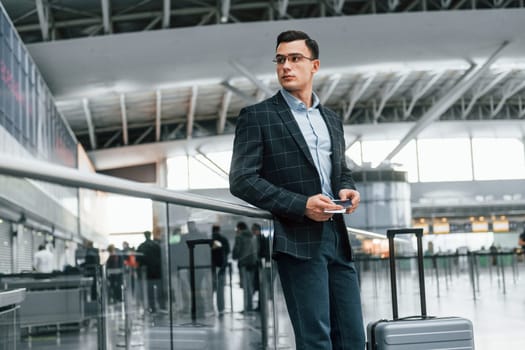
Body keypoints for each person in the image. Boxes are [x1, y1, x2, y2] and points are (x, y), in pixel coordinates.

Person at [229, 30, 364, 349]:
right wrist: (301, 204)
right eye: (280, 60)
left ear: (314, 66)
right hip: (298, 240)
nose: (285, 66)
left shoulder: (331, 119)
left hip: (337, 235)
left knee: (353, 336)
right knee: (315, 338)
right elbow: (241, 179)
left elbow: (341, 170)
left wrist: (348, 189)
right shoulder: (258, 117)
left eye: (294, 58)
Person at [232, 221, 258, 312]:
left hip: (243, 263)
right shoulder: (252, 236)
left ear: (239, 228)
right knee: (250, 285)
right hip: (252, 263)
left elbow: (236, 251)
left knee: (246, 286)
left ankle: (247, 307)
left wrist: (234, 255)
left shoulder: (239, 237)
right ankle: (250, 306)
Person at [136, 230, 161, 312]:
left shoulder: (142, 246)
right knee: (157, 289)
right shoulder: (156, 245)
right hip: (156, 271)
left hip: (147, 272)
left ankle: (152, 306)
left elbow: (138, 259)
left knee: (149, 291)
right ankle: (158, 305)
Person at [211, 225, 230, 314]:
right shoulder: (224, 239)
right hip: (222, 266)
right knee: (220, 288)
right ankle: (221, 308)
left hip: (212, 267)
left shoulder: (210, 240)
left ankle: (211, 307)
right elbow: (228, 251)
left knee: (212, 288)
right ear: (219, 230)